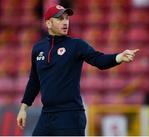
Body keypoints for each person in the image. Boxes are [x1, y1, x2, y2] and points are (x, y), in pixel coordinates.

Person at [16, 5, 139, 136]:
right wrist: (23, 108)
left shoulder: (76, 45)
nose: (65, 22)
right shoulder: (38, 48)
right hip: (46, 115)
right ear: (48, 23)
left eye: (66, 18)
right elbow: (34, 81)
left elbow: (99, 60)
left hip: (70, 115)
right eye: (59, 19)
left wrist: (119, 57)